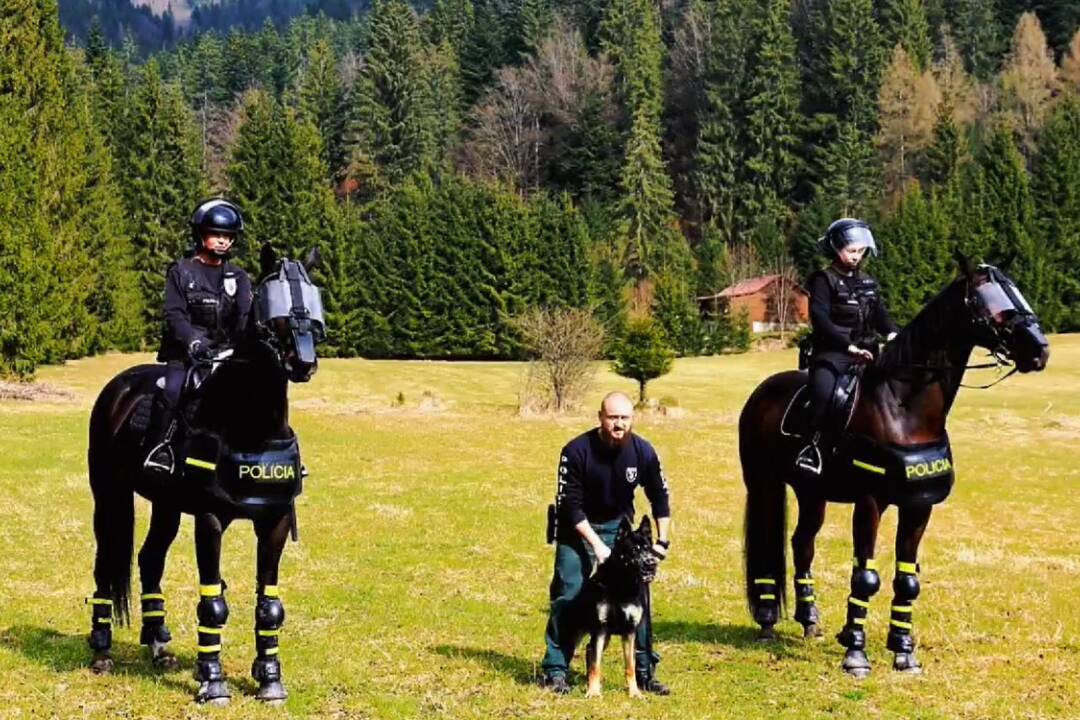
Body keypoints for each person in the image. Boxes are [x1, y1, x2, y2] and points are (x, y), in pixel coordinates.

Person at [541, 391, 673, 695]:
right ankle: (555, 670)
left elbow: (659, 497)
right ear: (600, 417)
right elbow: (569, 506)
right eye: (613, 417)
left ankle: (644, 672)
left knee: (637, 597)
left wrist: (662, 541)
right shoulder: (576, 451)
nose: (619, 424)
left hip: (619, 529)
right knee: (569, 591)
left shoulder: (643, 451)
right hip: (578, 529)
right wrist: (598, 547)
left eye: (625, 418)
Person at [143, 198, 253, 475]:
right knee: (171, 391)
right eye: (217, 234)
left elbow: (244, 316)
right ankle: (159, 449)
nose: (223, 241)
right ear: (201, 234)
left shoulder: (238, 277)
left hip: (225, 354)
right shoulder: (180, 271)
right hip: (185, 354)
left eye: (228, 236)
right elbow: (175, 315)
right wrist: (194, 342)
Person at [795, 218, 898, 475]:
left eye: (861, 251)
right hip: (832, 353)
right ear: (835, 249)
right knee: (822, 393)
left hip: (869, 354)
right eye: (851, 251)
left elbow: (880, 316)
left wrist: (894, 334)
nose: (856, 256)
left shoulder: (868, 282)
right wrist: (848, 347)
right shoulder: (822, 279)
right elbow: (820, 318)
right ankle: (812, 447)